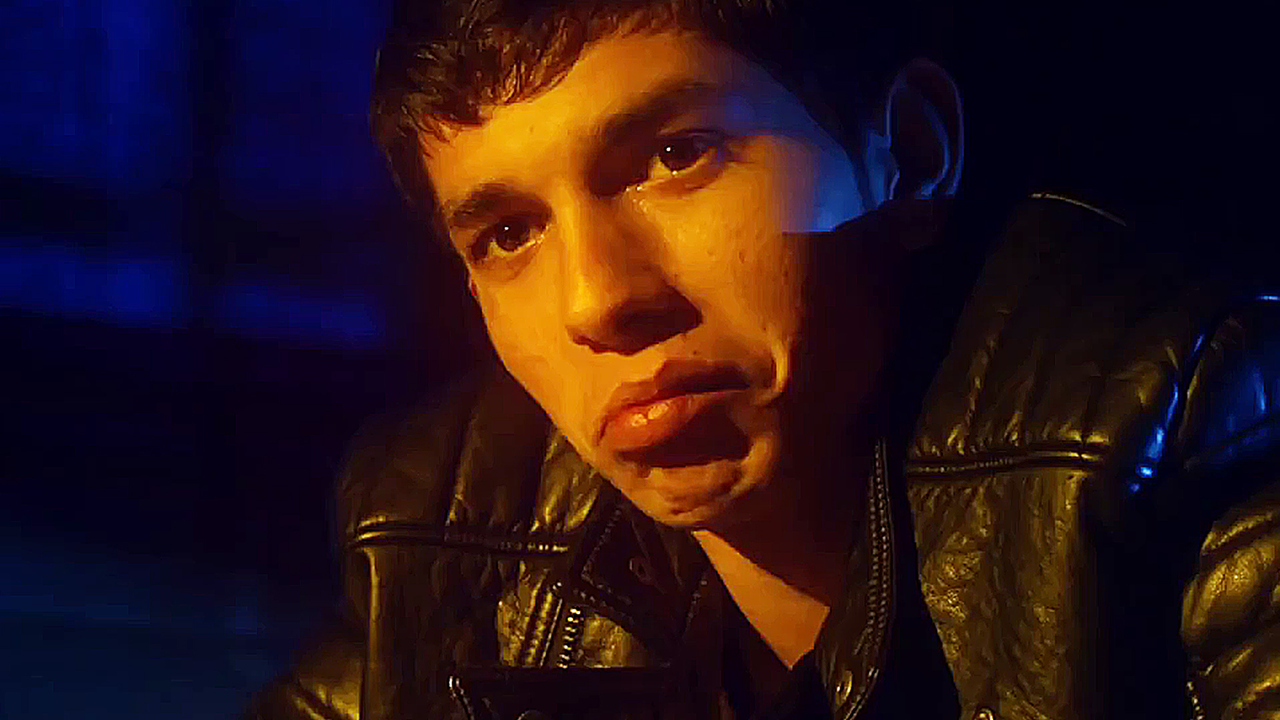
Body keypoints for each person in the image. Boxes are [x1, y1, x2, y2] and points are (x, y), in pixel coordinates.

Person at [244, 1, 1280, 718]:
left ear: (910, 151)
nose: (596, 300)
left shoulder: (1186, 417)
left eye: (675, 155)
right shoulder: (444, 517)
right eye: (509, 233)